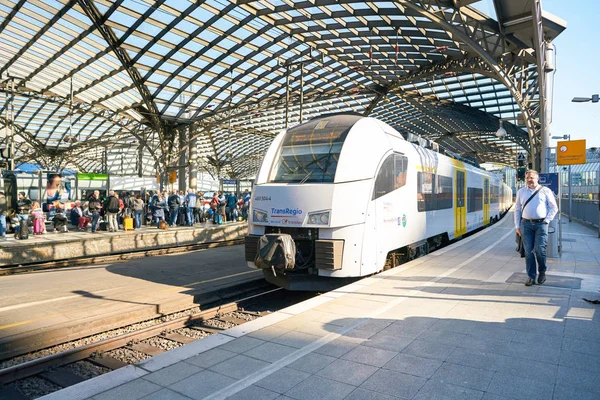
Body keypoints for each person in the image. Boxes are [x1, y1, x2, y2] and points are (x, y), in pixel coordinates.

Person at [515, 170, 558, 286]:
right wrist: (517, 226)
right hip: (526, 224)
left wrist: (547, 221)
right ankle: (531, 277)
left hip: (541, 225)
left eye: (532, 177)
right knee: (528, 252)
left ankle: (542, 271)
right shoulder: (521, 192)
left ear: (537, 178)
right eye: (527, 177)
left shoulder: (545, 191)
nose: (529, 180)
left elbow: (554, 208)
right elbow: (517, 209)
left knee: (540, 249)